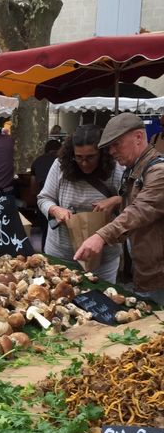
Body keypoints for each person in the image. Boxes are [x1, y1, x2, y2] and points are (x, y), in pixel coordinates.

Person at [74, 112, 164, 304]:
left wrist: (101, 236)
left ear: (139, 137)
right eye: (109, 146)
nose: (112, 151)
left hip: (158, 276)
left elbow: (139, 211)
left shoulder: (159, 172)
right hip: (143, 271)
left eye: (117, 144)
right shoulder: (133, 170)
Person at [38, 124, 123, 282]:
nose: (84, 163)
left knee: (101, 300)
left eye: (90, 157)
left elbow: (134, 200)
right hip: (62, 253)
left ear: (102, 154)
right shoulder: (60, 165)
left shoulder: (116, 168)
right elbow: (43, 198)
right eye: (78, 157)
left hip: (103, 258)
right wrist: (55, 210)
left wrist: (117, 200)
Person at [31, 139, 62, 250]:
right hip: (61, 205)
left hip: (45, 205)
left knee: (46, 232)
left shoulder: (37, 161)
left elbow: (33, 187)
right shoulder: (61, 162)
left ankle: (45, 255)